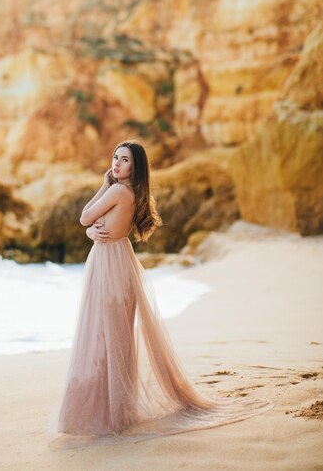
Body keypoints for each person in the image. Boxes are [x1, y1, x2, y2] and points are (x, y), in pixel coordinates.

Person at [47, 140, 274, 449]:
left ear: (135, 167)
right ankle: (117, 412)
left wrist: (102, 186)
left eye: (124, 160)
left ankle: (107, 416)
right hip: (117, 260)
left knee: (103, 337)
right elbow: (97, 227)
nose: (116, 164)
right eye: (115, 157)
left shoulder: (116, 191)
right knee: (116, 337)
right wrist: (90, 232)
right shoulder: (134, 194)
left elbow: (86, 217)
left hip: (108, 264)